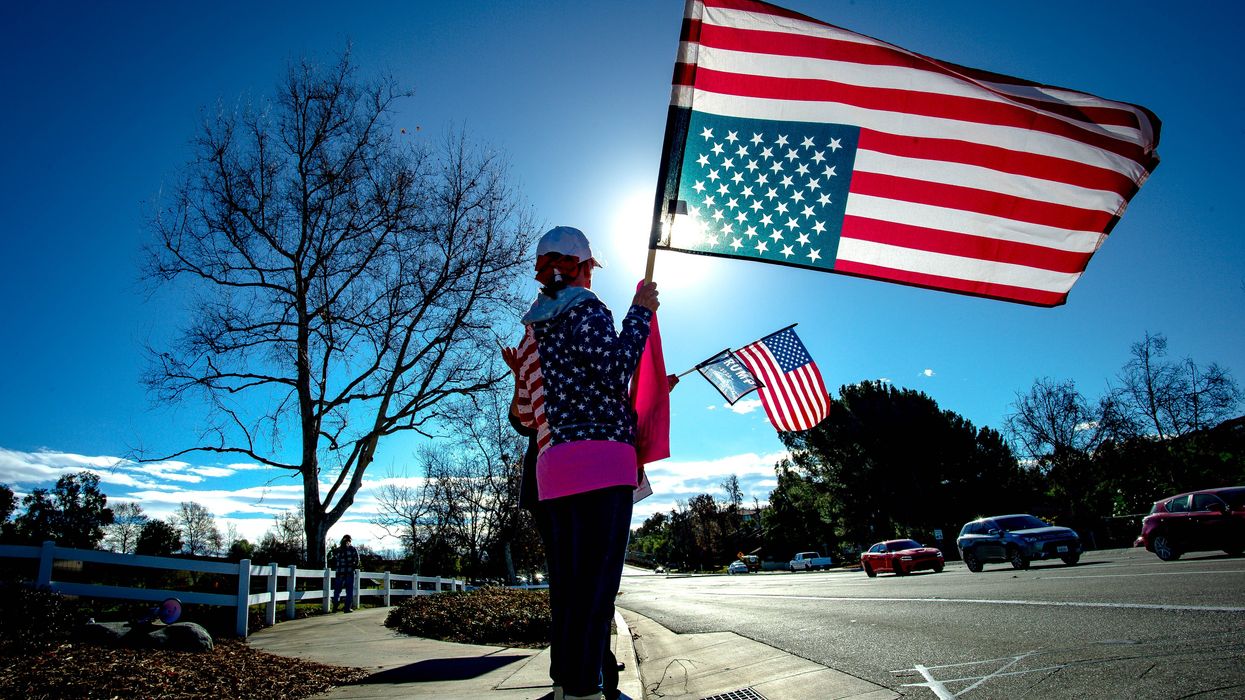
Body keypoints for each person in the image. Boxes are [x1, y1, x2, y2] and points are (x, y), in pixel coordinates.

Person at [510, 226, 659, 700]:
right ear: (582, 268)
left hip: (553, 470)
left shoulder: (531, 329)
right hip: (601, 461)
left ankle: (566, 688)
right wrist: (641, 314)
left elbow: (529, 416)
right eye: (591, 268)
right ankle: (583, 691)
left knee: (570, 590)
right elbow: (615, 366)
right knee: (597, 590)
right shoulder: (587, 308)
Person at [331, 534, 359, 613]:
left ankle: (335, 606)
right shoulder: (353, 549)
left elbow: (333, 560)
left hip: (339, 573)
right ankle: (347, 608)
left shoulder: (337, 550)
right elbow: (357, 561)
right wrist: (353, 566)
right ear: (350, 540)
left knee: (337, 590)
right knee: (349, 591)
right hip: (349, 573)